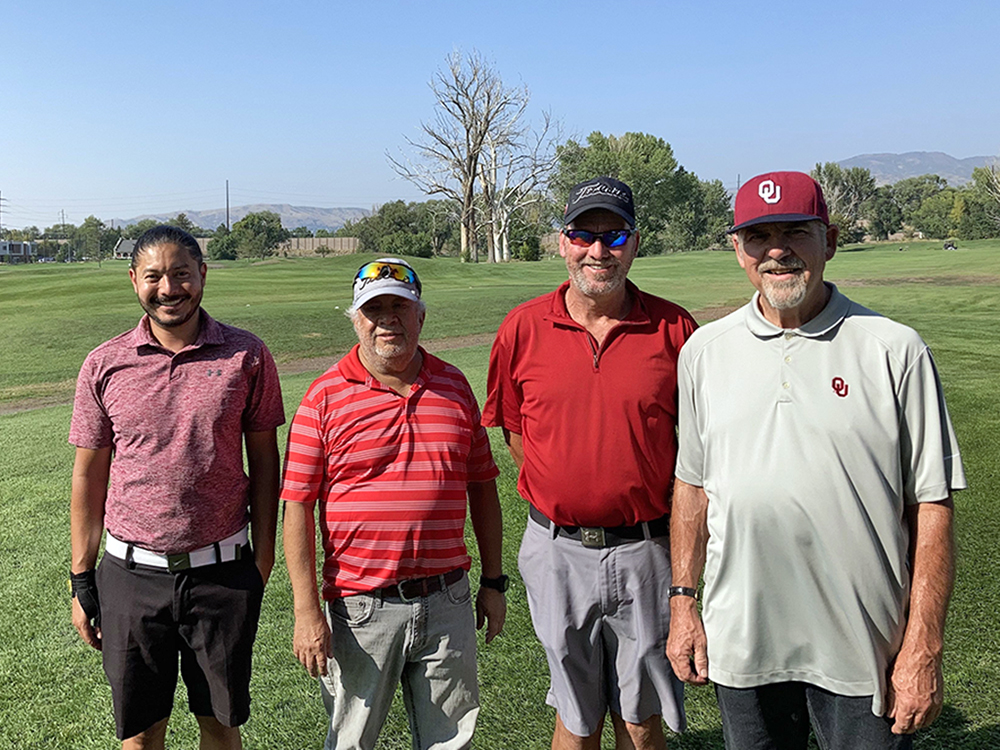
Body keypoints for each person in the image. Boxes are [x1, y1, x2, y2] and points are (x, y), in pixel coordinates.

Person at [666, 171, 966, 750]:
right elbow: (692, 487)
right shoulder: (704, 352)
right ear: (737, 250)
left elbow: (931, 505)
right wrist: (684, 604)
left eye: (795, 232)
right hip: (744, 644)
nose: (776, 251)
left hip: (863, 647)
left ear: (827, 241)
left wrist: (923, 645)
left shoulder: (894, 348)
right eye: (758, 236)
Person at [483, 176, 697, 750]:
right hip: (557, 550)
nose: (598, 250)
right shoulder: (523, 327)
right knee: (576, 718)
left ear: (634, 243)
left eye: (615, 234)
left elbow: (698, 451)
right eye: (584, 234)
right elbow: (515, 431)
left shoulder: (676, 330)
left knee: (640, 717)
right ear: (562, 242)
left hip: (648, 550)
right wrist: (568, 490)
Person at [69, 225, 285, 750]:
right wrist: (82, 576)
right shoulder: (105, 363)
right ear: (133, 282)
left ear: (203, 275)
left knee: (219, 726)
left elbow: (264, 463)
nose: (169, 288)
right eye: (154, 276)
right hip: (130, 575)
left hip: (223, 575)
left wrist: (262, 558)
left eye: (182, 273)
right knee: (141, 735)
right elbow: (88, 475)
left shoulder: (246, 355)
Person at [281, 257, 506, 750]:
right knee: (352, 741)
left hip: (447, 600)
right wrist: (306, 611)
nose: (388, 320)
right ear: (355, 319)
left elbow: (483, 485)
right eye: (374, 309)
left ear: (421, 316)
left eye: (400, 307)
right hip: (361, 607)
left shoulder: (454, 386)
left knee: (450, 742)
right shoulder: (322, 397)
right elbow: (295, 507)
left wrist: (494, 580)